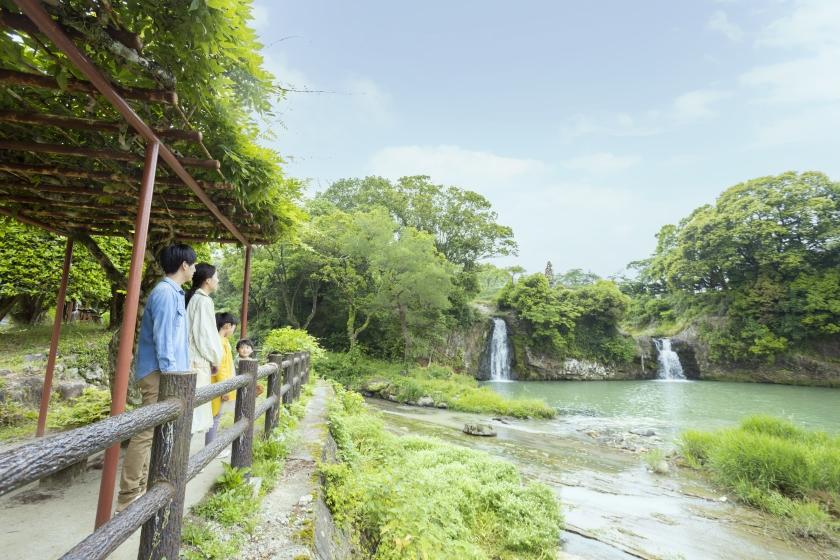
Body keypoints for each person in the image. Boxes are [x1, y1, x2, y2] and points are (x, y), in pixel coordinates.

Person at [117, 243, 196, 513]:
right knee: (146, 431)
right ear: (184, 265)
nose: (195, 269)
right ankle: (128, 495)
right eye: (193, 264)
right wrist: (172, 373)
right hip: (158, 374)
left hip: (166, 373)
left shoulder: (175, 293)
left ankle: (144, 486)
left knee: (156, 431)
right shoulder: (164, 293)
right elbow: (164, 338)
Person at [186, 263, 223, 437]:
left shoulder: (194, 298)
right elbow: (205, 336)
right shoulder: (203, 301)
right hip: (197, 362)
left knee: (191, 413)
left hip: (192, 360)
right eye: (216, 277)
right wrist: (215, 359)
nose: (218, 280)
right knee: (193, 416)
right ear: (208, 280)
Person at [207, 312, 238, 450]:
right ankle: (210, 449)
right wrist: (224, 389)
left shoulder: (222, 341)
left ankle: (210, 448)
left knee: (214, 416)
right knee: (214, 417)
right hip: (217, 385)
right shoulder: (219, 342)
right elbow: (221, 368)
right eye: (234, 326)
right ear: (227, 325)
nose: (234, 330)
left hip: (217, 384)